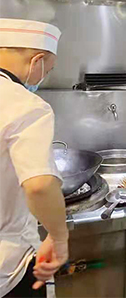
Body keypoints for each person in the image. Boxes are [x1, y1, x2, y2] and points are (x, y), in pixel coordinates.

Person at [0, 19, 69, 297]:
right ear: (37, 61)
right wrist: (59, 237)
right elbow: (40, 185)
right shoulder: (24, 105)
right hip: (8, 269)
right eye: (48, 70)